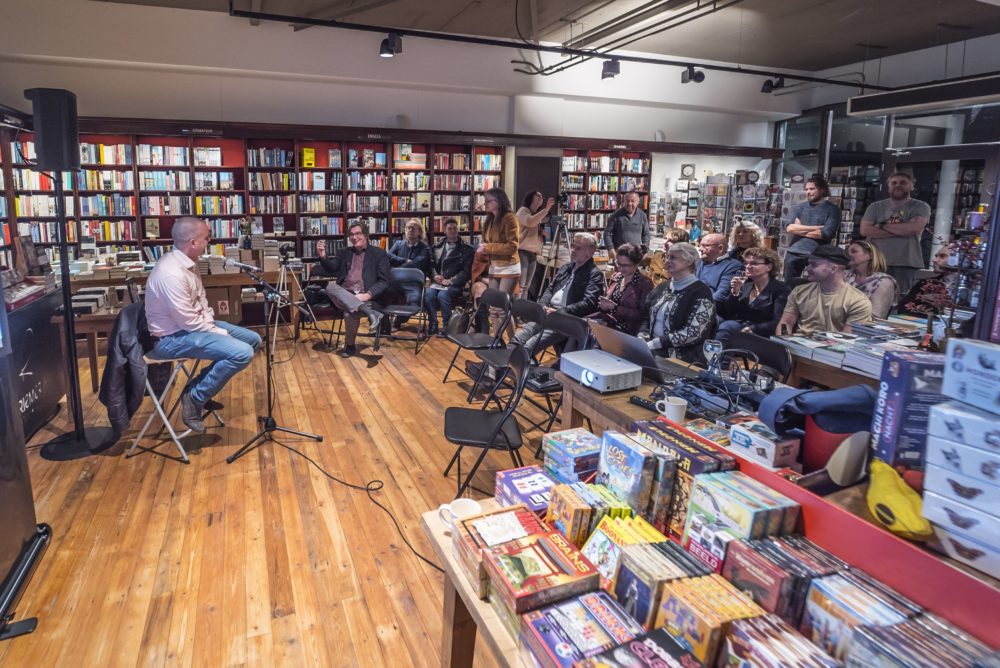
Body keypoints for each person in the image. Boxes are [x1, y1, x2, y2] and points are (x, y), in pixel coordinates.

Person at [145, 217, 262, 433]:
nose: (209, 242)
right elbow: (188, 322)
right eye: (206, 239)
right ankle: (195, 397)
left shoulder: (189, 264)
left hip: (194, 327)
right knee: (242, 353)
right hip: (172, 338)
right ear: (192, 242)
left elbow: (201, 301)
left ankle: (199, 389)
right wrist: (220, 333)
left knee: (253, 340)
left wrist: (214, 325)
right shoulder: (170, 273)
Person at [509, 232, 604, 354]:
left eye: (578, 248)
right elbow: (550, 288)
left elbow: (589, 303)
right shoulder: (566, 268)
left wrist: (560, 312)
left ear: (589, 253)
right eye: (573, 246)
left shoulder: (595, 274)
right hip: (547, 313)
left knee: (528, 346)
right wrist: (542, 306)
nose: (573, 250)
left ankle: (516, 369)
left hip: (566, 319)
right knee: (517, 339)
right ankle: (503, 368)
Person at [316, 222, 391, 357]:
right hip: (344, 293)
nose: (354, 237)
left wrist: (368, 295)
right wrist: (322, 255)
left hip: (365, 297)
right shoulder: (344, 252)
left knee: (350, 313)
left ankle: (350, 346)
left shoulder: (379, 254)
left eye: (358, 234)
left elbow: (384, 281)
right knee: (330, 286)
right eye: (351, 234)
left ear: (366, 235)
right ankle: (370, 313)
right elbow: (332, 268)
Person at [638, 242, 716, 366]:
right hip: (653, 350)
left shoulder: (701, 292)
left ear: (689, 262)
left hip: (683, 357)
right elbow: (645, 317)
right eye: (667, 257)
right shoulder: (662, 287)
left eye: (673, 257)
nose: (667, 261)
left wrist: (656, 343)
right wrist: (642, 337)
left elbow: (693, 333)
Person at [860, 172, 931, 295]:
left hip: (906, 263)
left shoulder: (921, 206)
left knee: (898, 299)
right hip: (877, 261)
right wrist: (903, 229)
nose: (898, 185)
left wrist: (881, 225)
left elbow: (914, 229)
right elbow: (865, 230)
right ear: (889, 187)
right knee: (871, 298)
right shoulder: (875, 207)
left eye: (903, 182)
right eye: (894, 183)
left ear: (912, 186)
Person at [777, 245, 872, 336]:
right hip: (796, 347)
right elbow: (786, 323)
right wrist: (784, 342)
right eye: (809, 263)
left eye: (814, 264)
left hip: (831, 350)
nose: (807, 268)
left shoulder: (858, 302)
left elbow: (846, 341)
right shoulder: (799, 291)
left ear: (833, 269)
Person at [717, 247, 790, 343]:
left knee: (726, 327)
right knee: (714, 321)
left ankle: (717, 356)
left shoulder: (780, 289)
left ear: (769, 267)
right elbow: (729, 312)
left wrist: (754, 328)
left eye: (754, 263)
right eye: (746, 263)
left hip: (761, 332)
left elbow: (778, 321)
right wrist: (735, 292)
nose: (748, 266)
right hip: (738, 325)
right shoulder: (746, 285)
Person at [474, 187, 520, 332]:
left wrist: (487, 248)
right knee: (493, 308)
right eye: (485, 200)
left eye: (489, 200)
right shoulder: (489, 219)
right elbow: (489, 244)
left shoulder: (509, 218)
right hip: (495, 266)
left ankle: (513, 342)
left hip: (509, 267)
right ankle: (497, 342)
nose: (485, 203)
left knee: (501, 308)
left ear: (499, 201)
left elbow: (512, 247)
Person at [783, 176, 841, 281]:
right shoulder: (798, 207)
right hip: (795, 252)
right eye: (806, 189)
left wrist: (800, 229)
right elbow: (790, 228)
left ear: (822, 190)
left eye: (812, 189)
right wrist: (817, 227)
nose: (808, 192)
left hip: (818, 253)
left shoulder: (832, 209)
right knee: (789, 286)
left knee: (815, 286)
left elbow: (826, 234)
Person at [589, 242, 654, 336]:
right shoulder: (617, 277)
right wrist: (604, 305)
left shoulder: (644, 284)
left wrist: (615, 308)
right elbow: (608, 302)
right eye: (619, 264)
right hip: (609, 323)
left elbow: (642, 316)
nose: (621, 268)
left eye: (626, 265)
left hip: (627, 330)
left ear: (636, 264)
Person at [424, 218, 474, 336]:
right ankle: (433, 324)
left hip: (454, 283)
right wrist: (434, 275)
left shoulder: (467, 249)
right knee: (428, 294)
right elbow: (430, 265)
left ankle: (447, 326)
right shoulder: (436, 246)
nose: (452, 231)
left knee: (443, 295)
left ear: (458, 230)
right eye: (449, 229)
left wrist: (451, 280)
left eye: (455, 228)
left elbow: (466, 272)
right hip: (437, 282)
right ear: (444, 231)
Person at [897, 245, 959, 317]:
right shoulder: (926, 284)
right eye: (936, 256)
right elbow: (903, 309)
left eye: (942, 256)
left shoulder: (969, 291)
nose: (934, 260)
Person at [387, 219, 431, 317]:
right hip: (396, 281)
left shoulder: (425, 248)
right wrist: (405, 260)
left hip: (413, 284)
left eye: (413, 228)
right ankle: (385, 326)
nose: (410, 230)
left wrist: (395, 269)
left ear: (419, 231)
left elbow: (416, 264)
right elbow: (388, 256)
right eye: (408, 228)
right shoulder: (398, 243)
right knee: (382, 295)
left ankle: (399, 321)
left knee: (413, 303)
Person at [845, 240, 898, 319]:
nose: (848, 254)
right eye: (847, 252)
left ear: (870, 255)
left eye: (854, 251)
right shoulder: (844, 275)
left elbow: (877, 317)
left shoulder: (883, 281)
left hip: (862, 327)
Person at [515, 190, 555, 296]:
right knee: (521, 286)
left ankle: (523, 311)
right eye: (538, 195)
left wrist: (541, 234)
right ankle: (516, 311)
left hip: (533, 254)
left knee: (526, 287)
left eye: (542, 195)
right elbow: (530, 222)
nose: (541, 197)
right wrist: (546, 209)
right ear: (530, 197)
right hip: (522, 252)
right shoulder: (522, 211)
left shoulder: (536, 215)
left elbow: (532, 228)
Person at [696, 232, 742, 304]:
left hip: (711, 309)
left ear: (720, 248)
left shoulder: (733, 266)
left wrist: (699, 307)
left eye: (705, 246)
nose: (700, 249)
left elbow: (721, 295)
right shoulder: (698, 262)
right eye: (700, 245)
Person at [603, 191, 649, 262]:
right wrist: (610, 248)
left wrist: (645, 250)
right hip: (620, 254)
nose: (630, 203)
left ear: (638, 202)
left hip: (636, 254)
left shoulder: (643, 215)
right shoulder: (615, 215)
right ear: (623, 202)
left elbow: (646, 235)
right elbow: (606, 233)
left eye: (632, 201)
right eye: (627, 201)